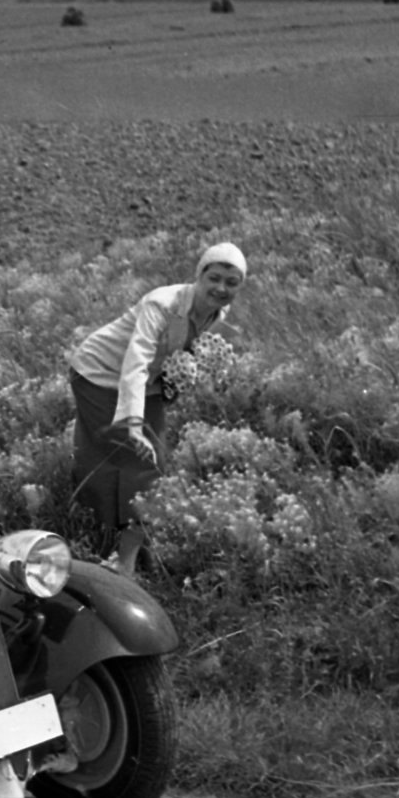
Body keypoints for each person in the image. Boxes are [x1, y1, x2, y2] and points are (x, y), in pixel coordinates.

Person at [67, 242, 248, 576]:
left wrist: (180, 378)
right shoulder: (162, 303)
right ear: (199, 276)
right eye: (215, 277)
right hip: (98, 373)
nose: (221, 288)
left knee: (145, 461)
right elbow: (136, 360)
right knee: (132, 460)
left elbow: (183, 350)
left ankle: (120, 542)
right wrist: (133, 422)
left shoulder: (216, 312)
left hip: (143, 385)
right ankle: (123, 560)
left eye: (232, 282)